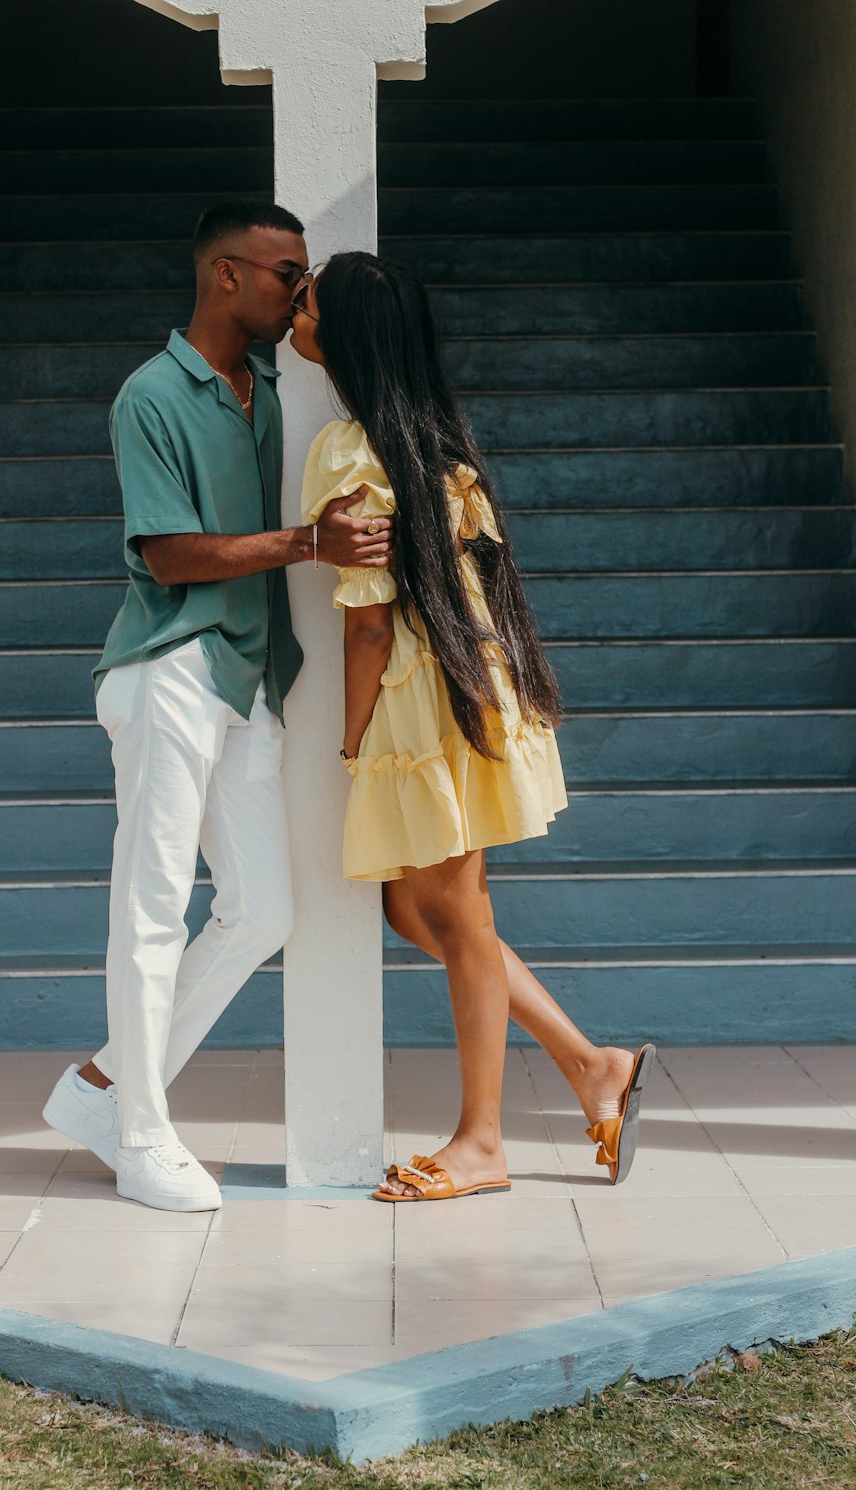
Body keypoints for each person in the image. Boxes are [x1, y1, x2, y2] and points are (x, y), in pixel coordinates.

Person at [42, 204, 390, 1213]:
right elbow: (169, 555)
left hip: (248, 678)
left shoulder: (272, 383)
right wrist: (304, 545)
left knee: (263, 909)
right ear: (227, 276)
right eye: (287, 274)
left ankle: (106, 1087)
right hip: (168, 671)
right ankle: (143, 1137)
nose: (298, 293)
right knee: (151, 906)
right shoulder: (150, 396)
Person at [291, 251, 654, 1202]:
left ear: (341, 338)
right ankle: (590, 1066)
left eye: (309, 305)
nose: (296, 316)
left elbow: (367, 621)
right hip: (471, 685)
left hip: (420, 699)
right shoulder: (438, 445)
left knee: (453, 915)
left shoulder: (349, 448)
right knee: (418, 909)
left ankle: (483, 1141)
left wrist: (349, 736)